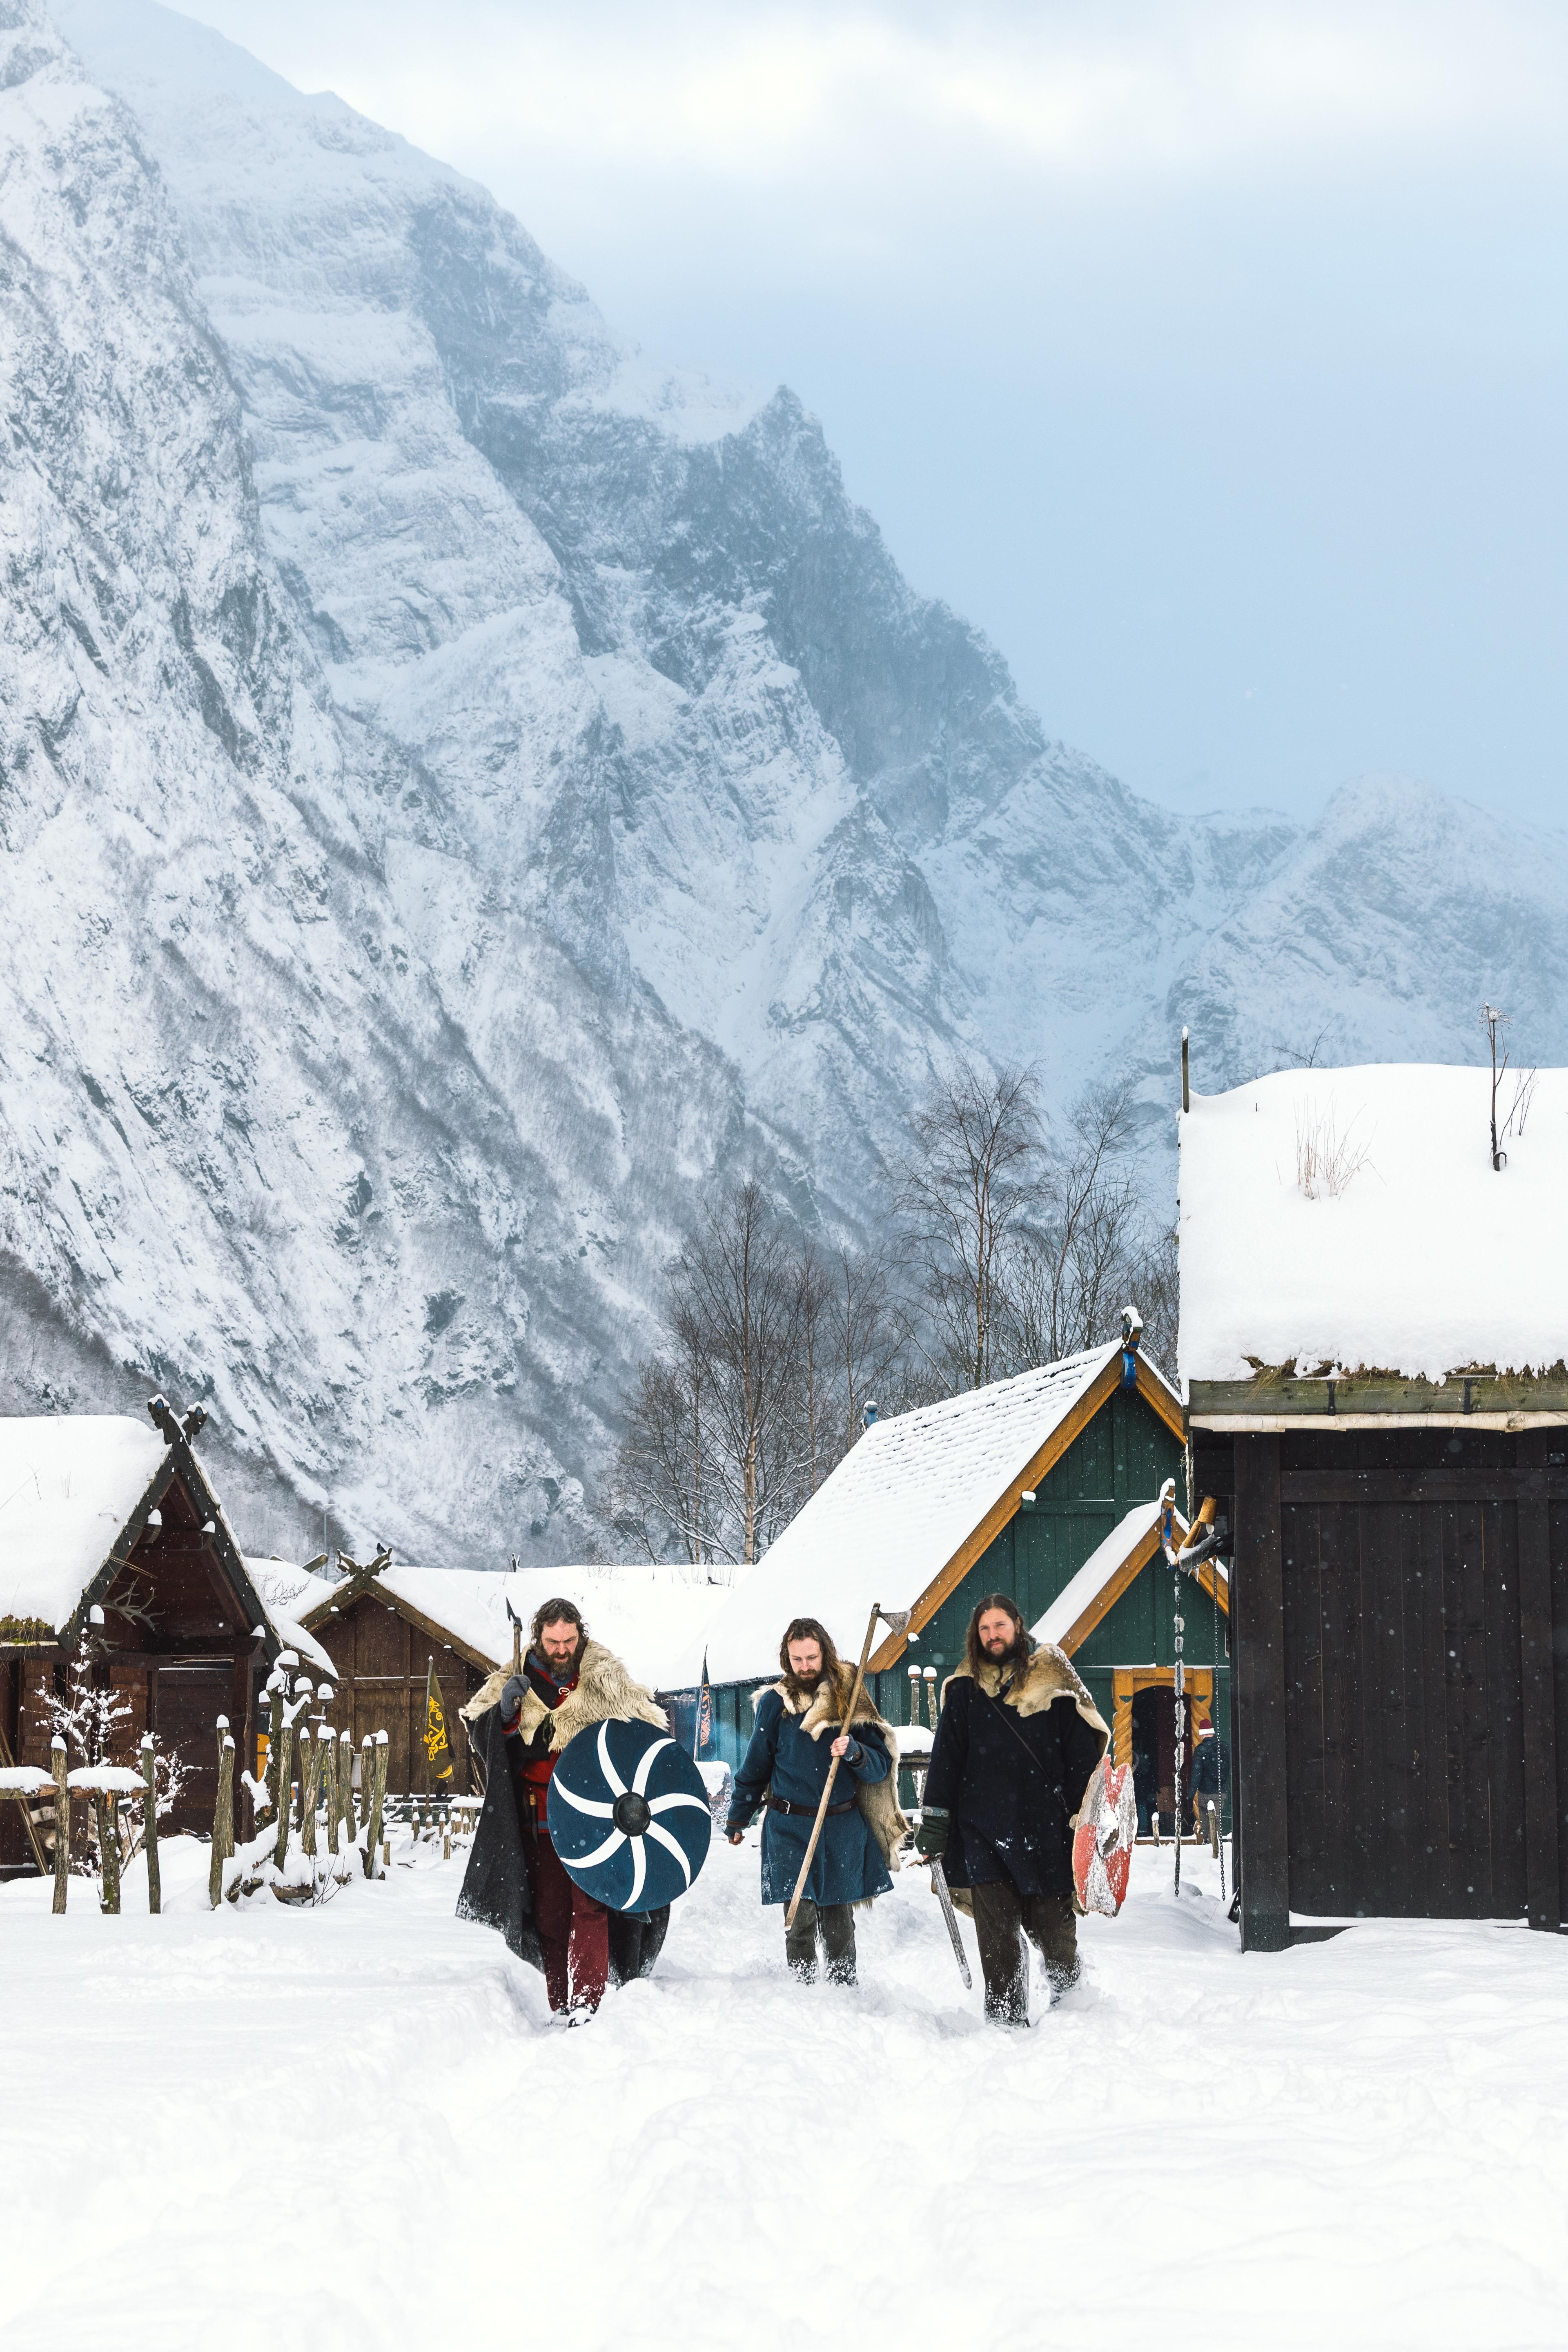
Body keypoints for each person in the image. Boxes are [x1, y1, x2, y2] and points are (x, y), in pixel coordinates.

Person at [458, 1600, 671, 2020]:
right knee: (551, 1916)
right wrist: (505, 1714)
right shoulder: (514, 1678)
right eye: (553, 1641)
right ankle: (560, 2000)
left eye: (569, 1640)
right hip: (540, 1817)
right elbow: (488, 1746)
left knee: (591, 1909)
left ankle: (586, 2003)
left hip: (598, 1819)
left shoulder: (604, 1677)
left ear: (580, 1635)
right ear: (539, 1636)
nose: (561, 1649)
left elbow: (644, 1732)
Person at [917, 1592, 1108, 2024]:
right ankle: (1004, 2017)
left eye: (1000, 1625)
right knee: (997, 1935)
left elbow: (1082, 1756)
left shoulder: (1052, 1681)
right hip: (983, 1828)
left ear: (1018, 1625)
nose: (993, 1635)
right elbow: (946, 1761)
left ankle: (1072, 1999)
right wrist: (935, 1822)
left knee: (1054, 1932)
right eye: (985, 1628)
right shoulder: (964, 1689)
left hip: (1045, 1829)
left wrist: (1085, 1815)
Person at [724, 1616, 906, 1985]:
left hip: (840, 1826)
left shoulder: (848, 1696)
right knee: (800, 1918)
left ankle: (844, 1994)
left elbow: (879, 1768)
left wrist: (855, 1751)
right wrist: (738, 1817)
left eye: (811, 1657)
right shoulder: (775, 1704)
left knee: (839, 1922)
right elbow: (756, 1764)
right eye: (797, 1659)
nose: (805, 1667)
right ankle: (803, 1995)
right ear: (786, 1659)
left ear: (824, 1652)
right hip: (789, 1826)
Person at [1189, 1715, 1231, 1839]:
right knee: (1217, 1818)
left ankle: (1208, 1841)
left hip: (1205, 1792)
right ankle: (1216, 1841)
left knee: (1205, 1817)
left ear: (1202, 1735)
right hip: (1221, 1791)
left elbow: (1196, 1773)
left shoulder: (1200, 1750)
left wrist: (1191, 1794)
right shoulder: (1225, 1747)